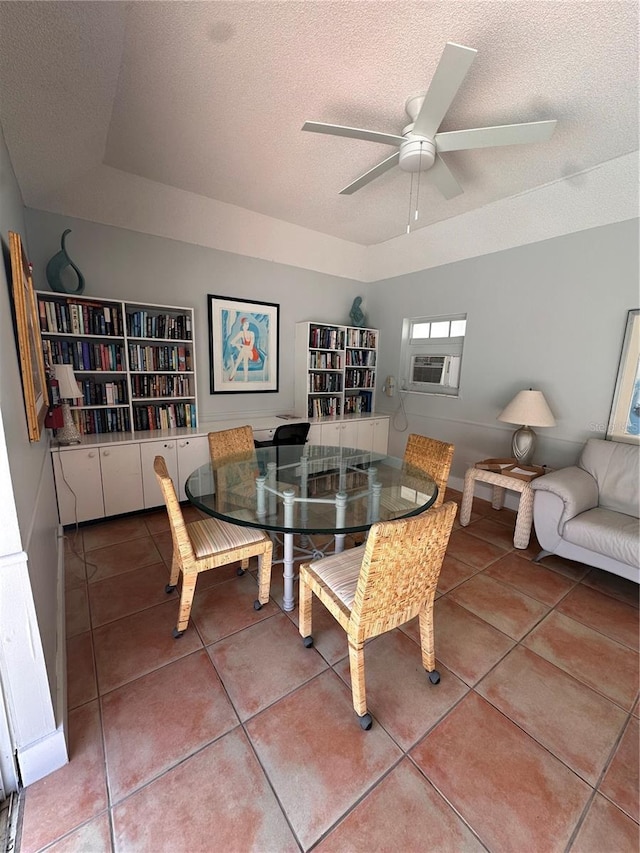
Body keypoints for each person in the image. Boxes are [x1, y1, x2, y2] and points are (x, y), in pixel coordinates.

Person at [229, 317, 257, 381]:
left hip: (253, 353)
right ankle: (245, 377)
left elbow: (251, 347)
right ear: (242, 325)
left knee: (244, 351)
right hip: (246, 352)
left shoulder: (251, 333)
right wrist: (238, 345)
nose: (247, 325)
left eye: (248, 324)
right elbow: (232, 342)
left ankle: (234, 371)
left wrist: (241, 345)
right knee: (245, 353)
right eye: (245, 324)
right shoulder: (241, 333)